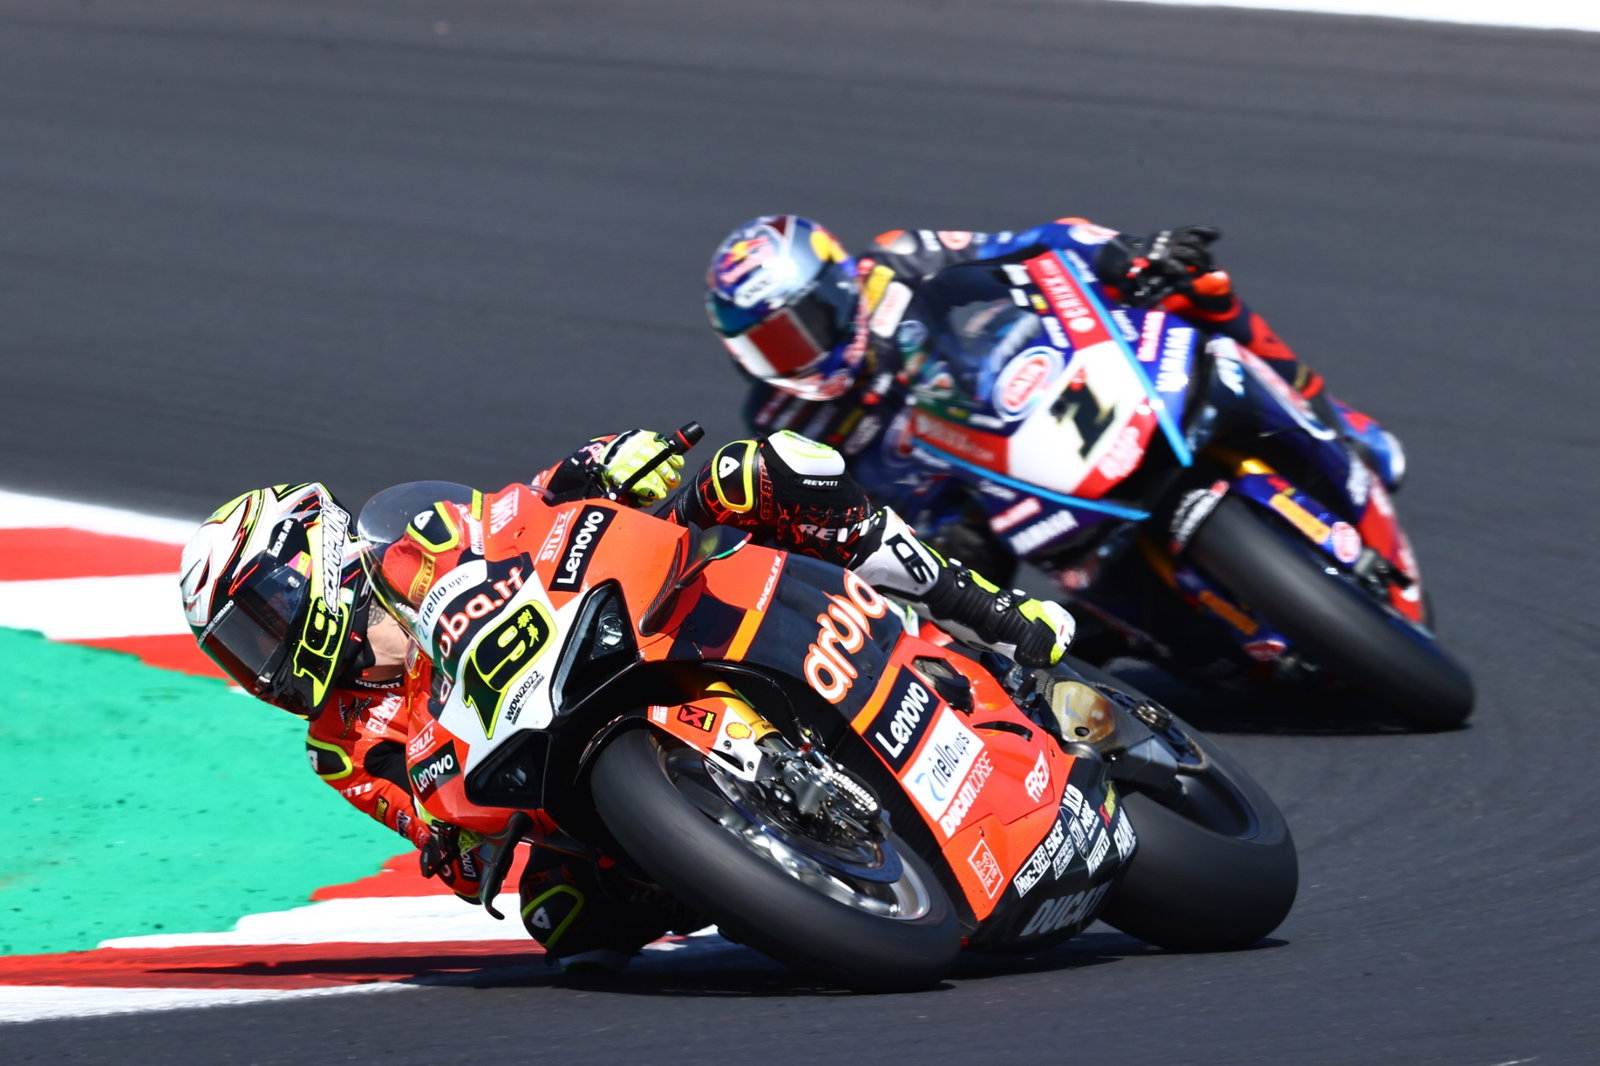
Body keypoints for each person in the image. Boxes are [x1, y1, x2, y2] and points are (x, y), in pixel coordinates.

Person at [178, 429, 1074, 973]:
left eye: (261, 618)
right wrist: (457, 851)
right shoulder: (338, 745)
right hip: (549, 768)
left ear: (317, 563)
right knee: (565, 929)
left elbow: (522, 510)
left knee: (762, 472)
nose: (262, 656)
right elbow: (432, 835)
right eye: (239, 648)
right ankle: (776, 871)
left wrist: (605, 462)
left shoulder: (419, 541)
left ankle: (985, 610)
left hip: (625, 628)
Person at [704, 215, 1406, 543]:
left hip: (1050, 385)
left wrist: (1122, 256)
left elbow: (1030, 246)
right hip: (974, 504)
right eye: (770, 347)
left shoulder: (901, 258)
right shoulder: (780, 421)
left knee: (1196, 285)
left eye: (805, 325)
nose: (798, 354)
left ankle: (1335, 420)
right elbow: (827, 516)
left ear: (836, 284)